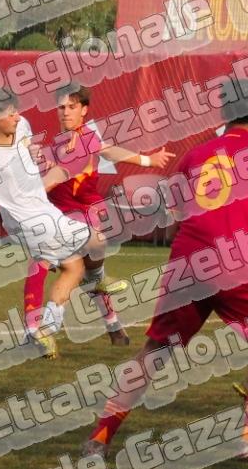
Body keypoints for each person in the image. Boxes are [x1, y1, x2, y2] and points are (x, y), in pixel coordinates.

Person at [84, 78, 248, 459]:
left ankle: (100, 438)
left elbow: (177, 218)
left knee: (155, 351)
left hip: (188, 261)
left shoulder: (196, 155)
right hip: (235, 263)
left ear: (223, 113)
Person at [0, 88, 100, 357]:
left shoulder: (21, 125)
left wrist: (33, 155)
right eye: (11, 113)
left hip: (43, 212)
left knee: (73, 267)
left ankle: (39, 330)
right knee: (96, 240)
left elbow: (25, 153)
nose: (17, 116)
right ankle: (96, 282)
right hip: (32, 222)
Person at [41, 82, 169, 346]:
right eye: (61, 107)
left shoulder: (86, 138)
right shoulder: (56, 145)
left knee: (83, 265)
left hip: (86, 212)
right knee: (78, 271)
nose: (65, 112)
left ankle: (48, 330)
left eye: (72, 106)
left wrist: (148, 160)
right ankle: (102, 322)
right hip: (59, 214)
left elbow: (108, 150)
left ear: (84, 110)